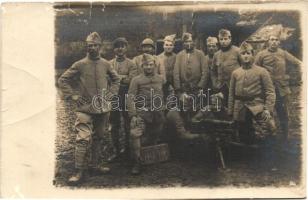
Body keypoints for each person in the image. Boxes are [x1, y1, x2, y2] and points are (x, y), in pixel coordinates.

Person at [58, 32, 120, 184]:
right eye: (89, 45)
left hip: (102, 108)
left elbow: (116, 79)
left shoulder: (106, 64)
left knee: (99, 137)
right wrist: (72, 96)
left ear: (100, 47)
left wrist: (110, 95)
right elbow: (63, 79)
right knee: (82, 139)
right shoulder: (80, 64)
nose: (91, 48)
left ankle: (95, 165)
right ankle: (78, 170)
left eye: (94, 45)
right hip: (84, 108)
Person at [254, 32, 302, 140]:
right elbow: (255, 69)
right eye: (271, 39)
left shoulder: (283, 53)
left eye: (276, 40)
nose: (274, 42)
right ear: (268, 42)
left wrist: (293, 75)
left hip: (282, 89)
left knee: (283, 112)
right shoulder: (261, 54)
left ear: (279, 42)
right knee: (267, 112)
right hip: (267, 89)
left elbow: (297, 62)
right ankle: (271, 134)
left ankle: (285, 135)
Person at [228, 42, 276, 144]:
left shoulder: (262, 71)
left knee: (270, 127)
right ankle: (247, 154)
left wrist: (268, 109)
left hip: (256, 105)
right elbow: (231, 94)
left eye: (248, 53)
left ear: (252, 54)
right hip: (240, 107)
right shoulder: (235, 73)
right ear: (239, 56)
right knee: (242, 134)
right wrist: (230, 111)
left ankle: (269, 151)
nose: (245, 56)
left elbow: (270, 92)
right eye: (243, 54)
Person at [127, 53, 165, 175]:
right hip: (142, 113)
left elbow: (163, 95)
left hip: (157, 114)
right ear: (142, 66)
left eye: (151, 65)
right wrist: (133, 115)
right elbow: (130, 98)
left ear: (155, 65)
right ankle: (137, 162)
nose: (149, 67)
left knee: (155, 136)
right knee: (135, 133)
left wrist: (163, 108)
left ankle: (150, 156)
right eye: (146, 65)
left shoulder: (160, 79)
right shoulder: (136, 80)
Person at [167, 32, 208, 140]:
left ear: (194, 42)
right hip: (183, 90)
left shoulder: (200, 54)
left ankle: (195, 134)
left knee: (196, 111)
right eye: (186, 42)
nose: (188, 43)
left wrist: (200, 87)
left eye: (190, 41)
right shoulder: (180, 55)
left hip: (196, 90)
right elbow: (176, 73)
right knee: (184, 112)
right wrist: (179, 91)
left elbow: (205, 72)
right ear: (183, 43)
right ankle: (185, 136)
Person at [109, 37, 138, 161]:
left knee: (127, 124)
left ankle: (127, 149)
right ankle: (116, 151)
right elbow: (107, 79)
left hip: (126, 96)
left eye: (122, 46)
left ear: (126, 48)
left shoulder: (131, 63)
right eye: (117, 46)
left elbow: (130, 80)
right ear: (114, 49)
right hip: (114, 97)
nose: (120, 49)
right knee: (114, 125)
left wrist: (116, 78)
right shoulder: (109, 63)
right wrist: (121, 78)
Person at [212, 29, 241, 106]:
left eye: (225, 39)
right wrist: (215, 83)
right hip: (221, 87)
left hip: (235, 87)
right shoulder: (216, 55)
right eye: (221, 39)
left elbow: (244, 68)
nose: (223, 41)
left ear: (230, 38)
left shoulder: (237, 51)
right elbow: (213, 71)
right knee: (222, 110)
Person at [157, 34, 177, 99]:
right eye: (166, 45)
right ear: (163, 46)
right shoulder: (158, 57)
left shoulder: (177, 57)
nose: (168, 47)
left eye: (171, 45)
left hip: (175, 84)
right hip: (162, 85)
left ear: (173, 46)